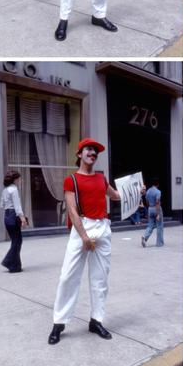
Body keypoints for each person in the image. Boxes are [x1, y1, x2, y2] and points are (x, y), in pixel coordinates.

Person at [48, 138, 121, 345]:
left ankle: (96, 320)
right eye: (89, 149)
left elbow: (114, 196)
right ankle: (59, 323)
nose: (93, 153)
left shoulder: (101, 178)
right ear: (80, 154)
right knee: (68, 276)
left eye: (96, 151)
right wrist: (84, 237)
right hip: (83, 228)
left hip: (103, 227)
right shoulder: (71, 180)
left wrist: (135, 191)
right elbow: (72, 210)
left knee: (100, 279)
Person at [1, 171, 27, 273]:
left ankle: (15, 266)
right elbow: (17, 206)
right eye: (19, 179)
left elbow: (2, 205)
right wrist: (23, 218)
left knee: (15, 240)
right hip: (13, 215)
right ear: (15, 179)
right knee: (18, 240)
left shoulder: (5, 190)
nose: (20, 181)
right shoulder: (14, 189)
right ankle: (8, 261)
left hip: (7, 216)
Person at [140, 179, 164, 247]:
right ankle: (159, 243)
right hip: (156, 208)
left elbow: (146, 201)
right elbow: (157, 202)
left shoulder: (148, 191)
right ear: (157, 184)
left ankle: (145, 237)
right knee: (159, 226)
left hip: (150, 208)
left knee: (150, 225)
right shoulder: (158, 192)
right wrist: (158, 213)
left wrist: (149, 209)